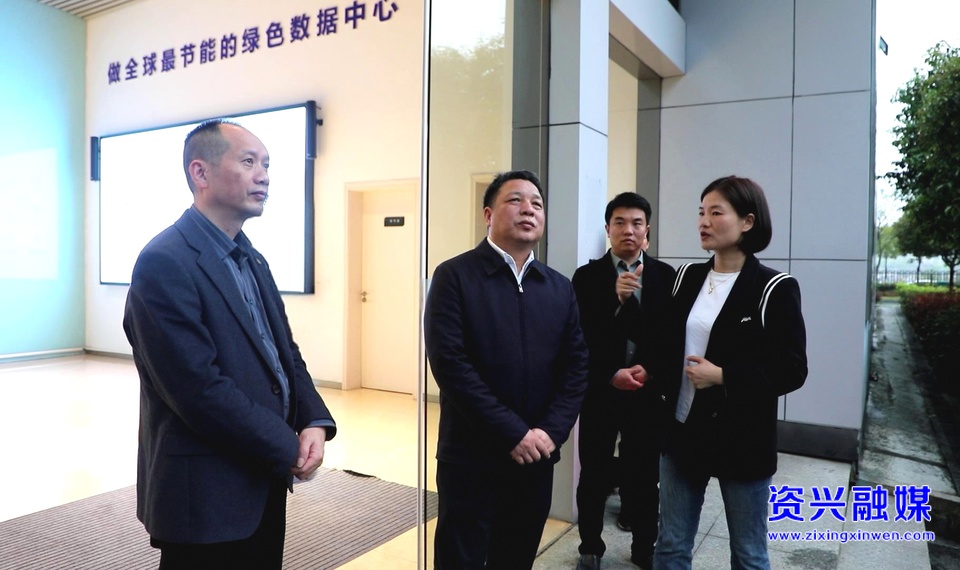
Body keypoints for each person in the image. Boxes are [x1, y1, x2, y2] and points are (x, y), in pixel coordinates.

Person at [123, 119, 337, 570]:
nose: (264, 176)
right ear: (200, 173)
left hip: (260, 482)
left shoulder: (250, 258)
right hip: (204, 497)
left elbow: (284, 354)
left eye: (267, 165)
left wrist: (313, 420)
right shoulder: (164, 261)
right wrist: (288, 447)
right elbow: (198, 391)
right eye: (249, 162)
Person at [424, 169, 589, 569]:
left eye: (537, 203)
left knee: (516, 557)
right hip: (470, 457)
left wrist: (550, 433)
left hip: (535, 458)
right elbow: (450, 365)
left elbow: (576, 367)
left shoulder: (558, 286)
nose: (528, 209)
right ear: (488, 214)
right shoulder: (455, 276)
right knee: (460, 560)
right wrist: (513, 432)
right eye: (515, 200)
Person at [646, 176, 807, 570]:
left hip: (741, 438)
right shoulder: (687, 277)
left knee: (749, 554)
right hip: (683, 432)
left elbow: (792, 369)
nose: (704, 221)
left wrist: (724, 376)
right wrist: (646, 368)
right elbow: (665, 342)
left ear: (747, 222)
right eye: (701, 212)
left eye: (716, 212)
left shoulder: (774, 287)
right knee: (670, 547)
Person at [572, 192, 676, 570]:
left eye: (636, 223)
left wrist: (650, 369)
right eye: (620, 222)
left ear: (647, 230)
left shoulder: (665, 277)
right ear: (608, 229)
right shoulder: (586, 277)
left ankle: (644, 547)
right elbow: (578, 337)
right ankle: (590, 547)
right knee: (594, 474)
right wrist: (614, 301)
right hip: (601, 391)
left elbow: (671, 337)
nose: (628, 230)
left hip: (646, 393)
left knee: (645, 477)